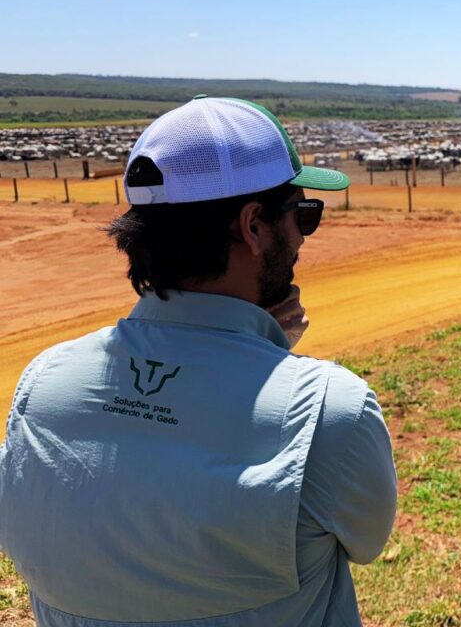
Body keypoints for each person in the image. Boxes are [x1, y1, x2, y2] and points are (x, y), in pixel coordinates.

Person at [0, 96, 397, 626]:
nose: (303, 235)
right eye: (304, 214)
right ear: (254, 226)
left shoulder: (43, 386)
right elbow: (367, 541)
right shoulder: (328, 412)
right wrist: (265, 357)